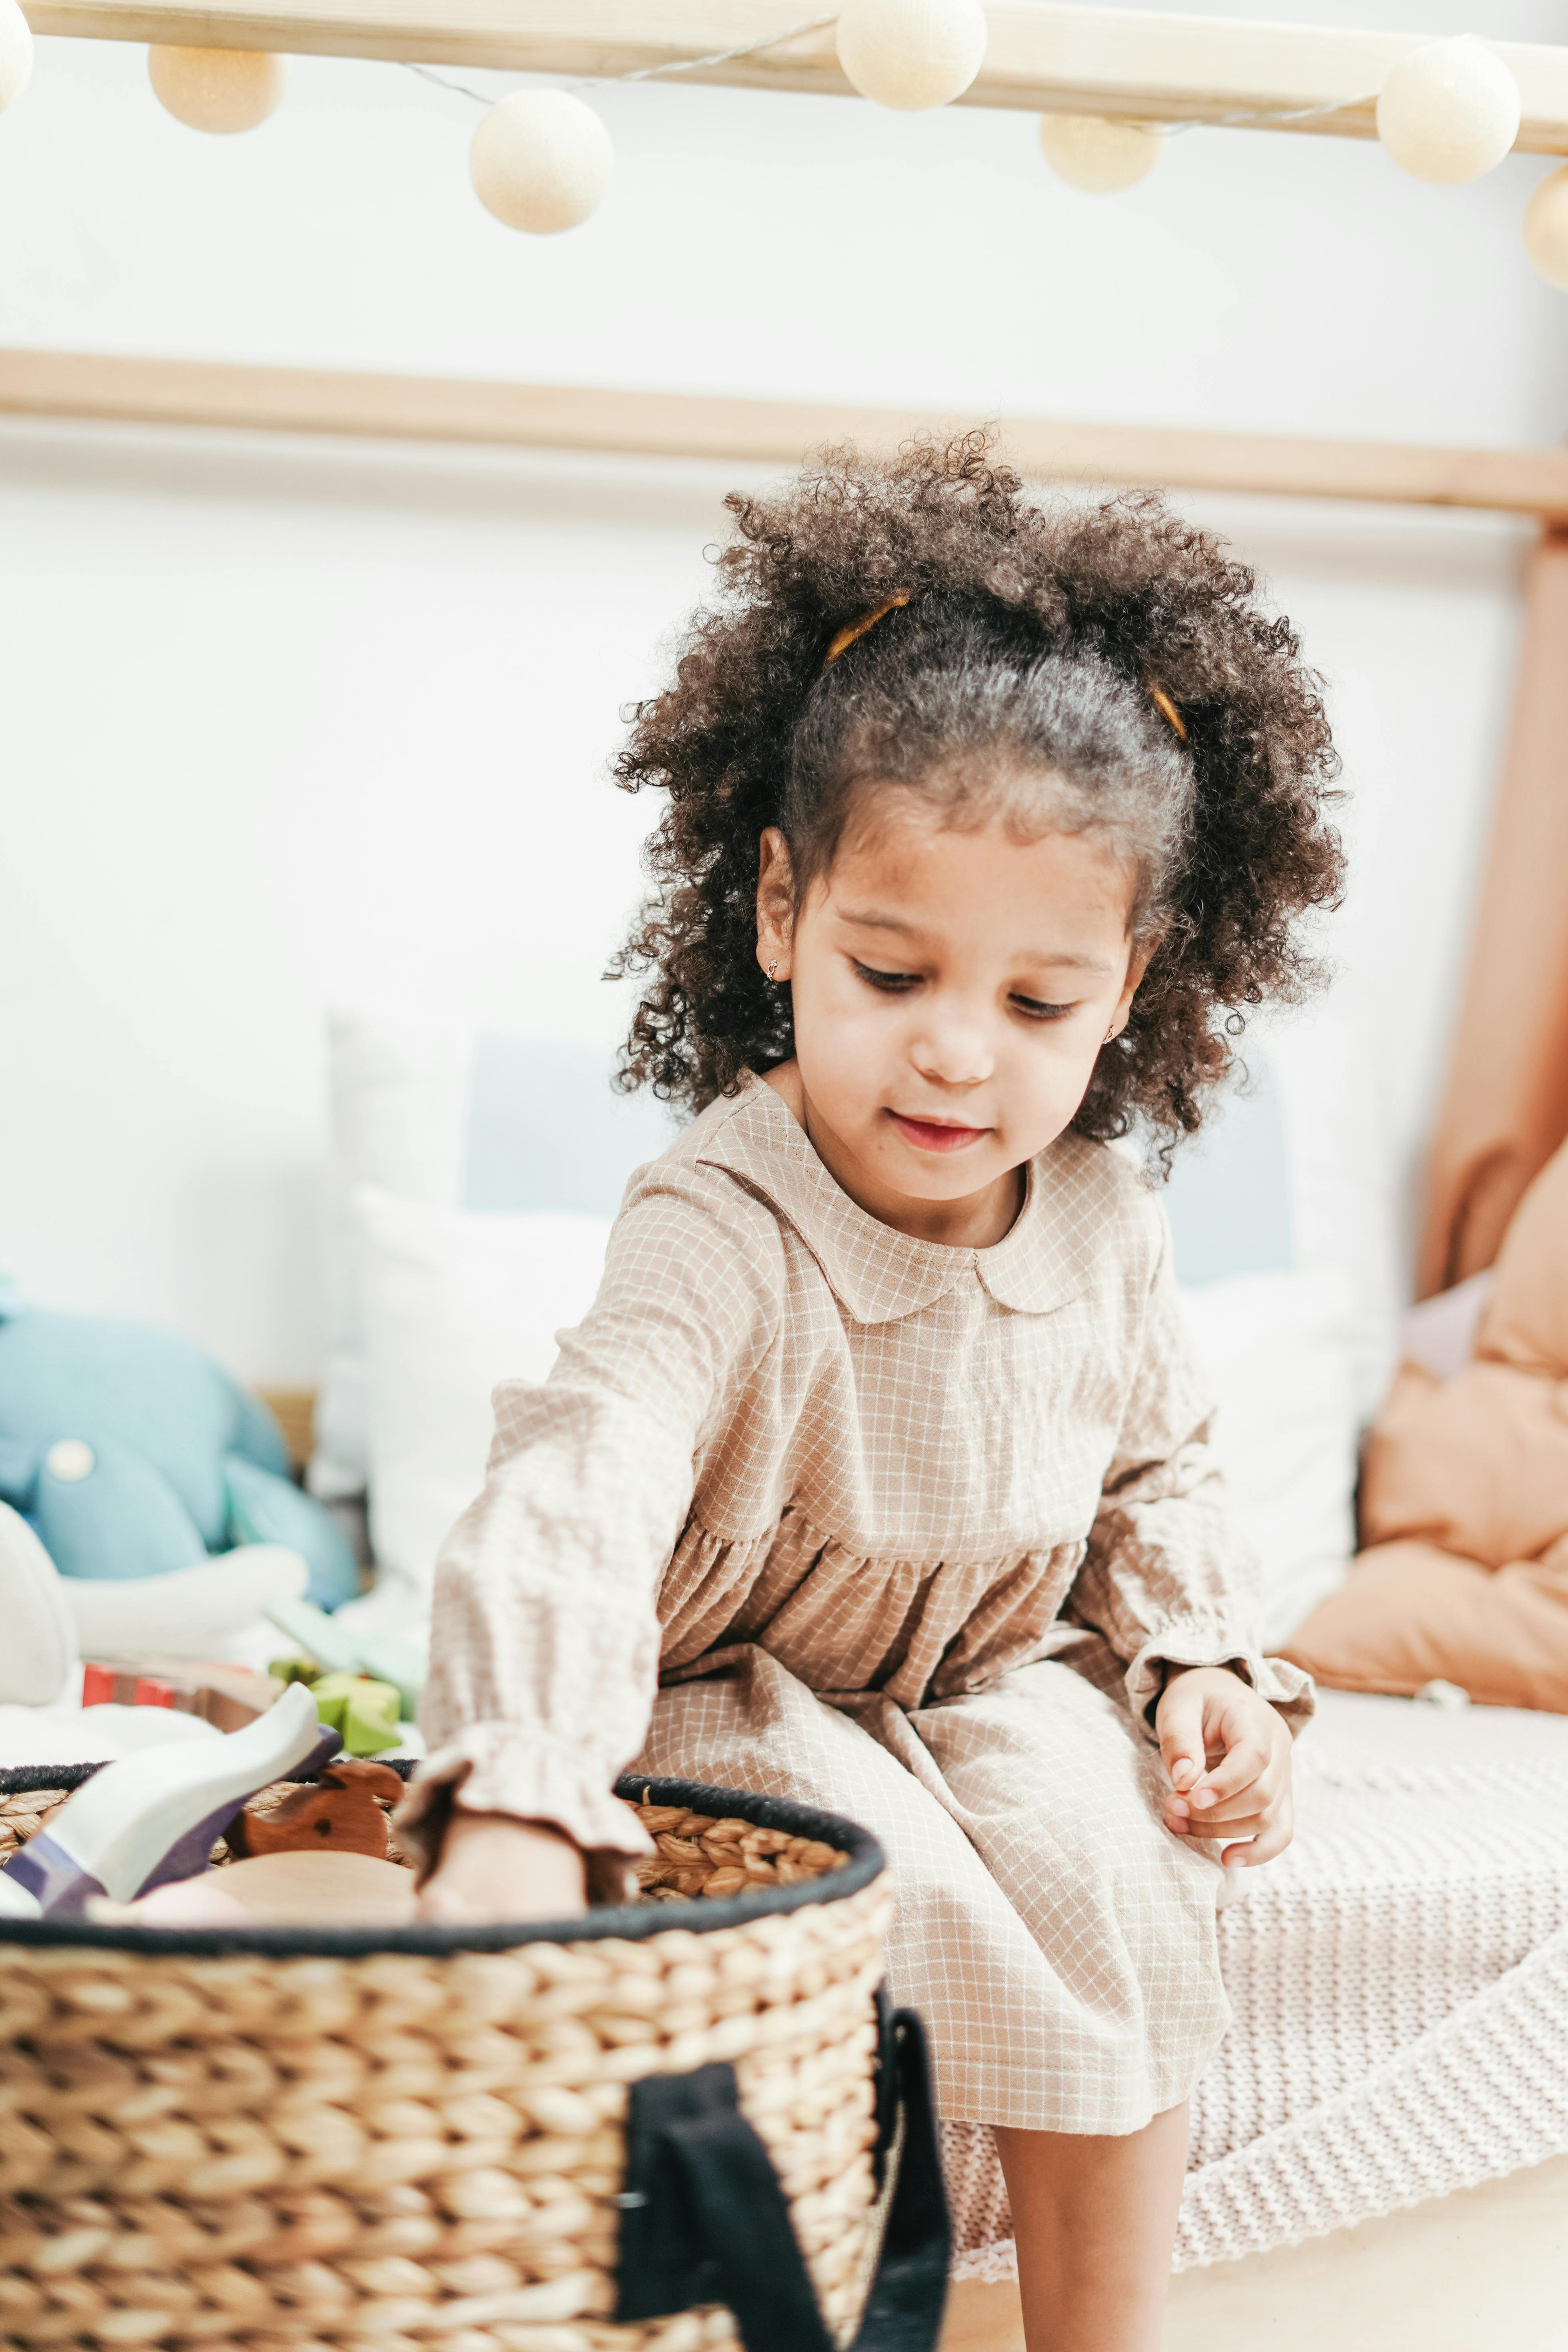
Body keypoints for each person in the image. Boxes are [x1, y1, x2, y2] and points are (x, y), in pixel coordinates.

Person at [395, 435, 1344, 2352]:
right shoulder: (722, 1214)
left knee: (1118, 1870)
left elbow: (1156, 1464)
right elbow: (586, 1477)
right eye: (891, 968)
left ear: (1130, 986)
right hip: (739, 1686)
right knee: (868, 1877)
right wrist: (514, 1779)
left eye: (1033, 1004)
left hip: (981, 1682)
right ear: (775, 915)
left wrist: (1199, 1667)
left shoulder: (1105, 1217)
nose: (952, 1057)